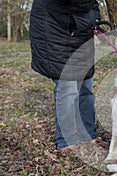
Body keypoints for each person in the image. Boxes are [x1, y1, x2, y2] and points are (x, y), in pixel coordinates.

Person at [30, 0, 102, 151]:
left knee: (86, 86)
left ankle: (88, 135)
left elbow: (93, 3)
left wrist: (95, 17)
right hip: (53, 28)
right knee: (67, 87)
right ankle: (65, 140)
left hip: (81, 29)